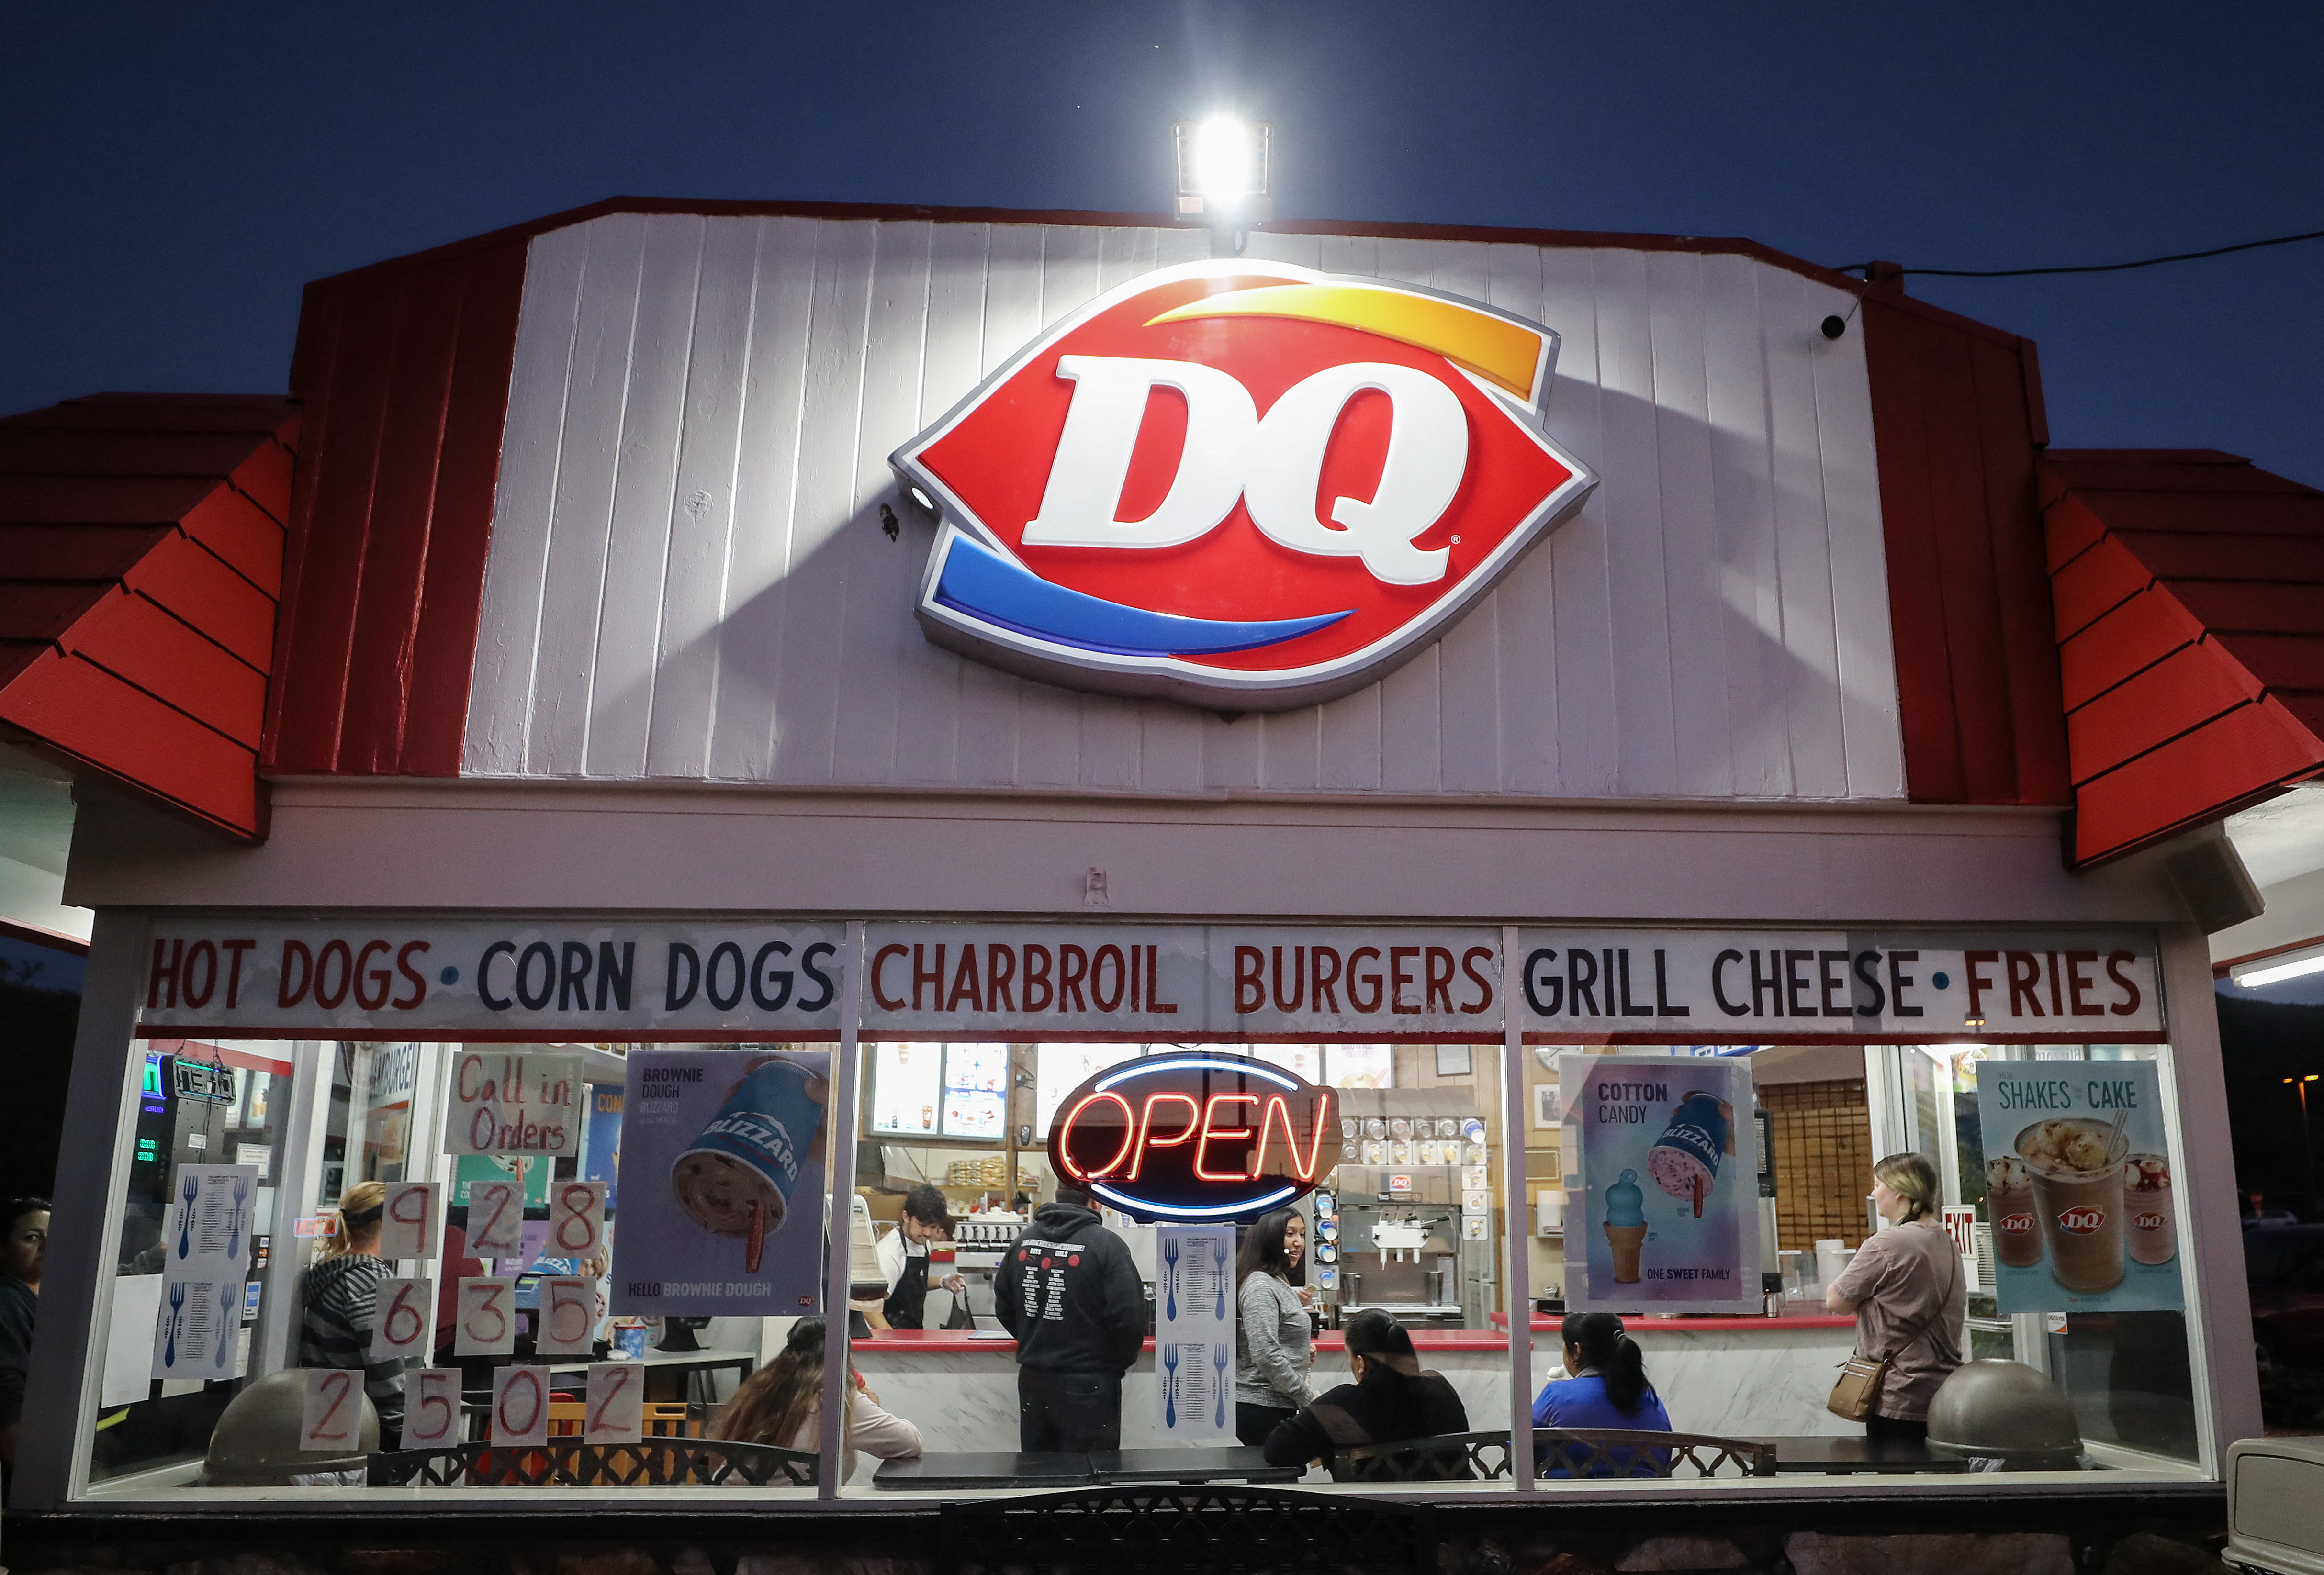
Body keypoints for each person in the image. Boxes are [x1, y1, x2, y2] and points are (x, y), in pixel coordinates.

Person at [992, 1181, 1145, 1452]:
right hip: (1091, 1387)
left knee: (1040, 1479)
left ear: (1057, 1195)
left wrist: (1035, 1336)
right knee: (1090, 1482)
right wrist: (1114, 1365)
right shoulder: (1108, 1247)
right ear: (1096, 1200)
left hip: (1034, 1385)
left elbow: (1004, 1306)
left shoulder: (1022, 1243)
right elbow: (1130, 1321)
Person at [1826, 1152, 1965, 1442]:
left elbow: (1836, 1301)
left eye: (1878, 1185)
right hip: (1945, 1392)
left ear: (1899, 1190)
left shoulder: (1888, 1243)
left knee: (1896, 1482)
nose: (1874, 1194)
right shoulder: (1946, 1241)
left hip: (1898, 1394)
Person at [1263, 1308, 1468, 1476]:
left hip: (1373, 1521)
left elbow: (1276, 1450)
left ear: (1361, 1363)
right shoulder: (1438, 1387)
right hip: (1453, 1514)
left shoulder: (1342, 1405)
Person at [718, 1317, 921, 1484]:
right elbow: (910, 1443)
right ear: (844, 1354)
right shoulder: (834, 1400)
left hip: (723, 1502)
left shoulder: (762, 1385)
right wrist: (869, 1405)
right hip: (789, 1518)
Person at [298, 1181, 410, 1446]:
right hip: (368, 1438)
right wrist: (405, 1437)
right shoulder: (373, 1283)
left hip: (334, 1428)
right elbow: (388, 1378)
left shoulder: (334, 1275)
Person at [1531, 1311, 1672, 1477]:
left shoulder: (1555, 1396)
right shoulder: (1649, 1399)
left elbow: (1516, 1461)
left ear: (1577, 1350)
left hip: (1570, 1501)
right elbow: (1664, 1461)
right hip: (1642, 1501)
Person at [1234, 1207, 1315, 1444]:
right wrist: (1305, 1396)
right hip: (1261, 1405)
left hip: (1275, 1402)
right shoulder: (1260, 1285)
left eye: (1302, 1234)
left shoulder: (1277, 1279)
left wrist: (1300, 1351)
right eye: (1290, 1234)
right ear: (1269, 1237)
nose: (1298, 1242)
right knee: (1281, 1478)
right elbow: (1266, 1354)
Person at [0, 1197, 49, 1477]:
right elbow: (6, 1393)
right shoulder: (8, 1301)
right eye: (32, 1238)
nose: (46, 1247)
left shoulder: (48, 1294)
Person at [876, 1184, 968, 1331]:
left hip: (911, 1332)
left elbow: (911, 1284)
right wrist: (891, 1341)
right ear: (906, 1217)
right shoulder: (890, 1254)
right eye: (922, 1225)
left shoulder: (922, 1243)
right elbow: (869, 1307)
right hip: (890, 1337)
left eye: (932, 1227)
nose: (927, 1233)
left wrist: (943, 1282)